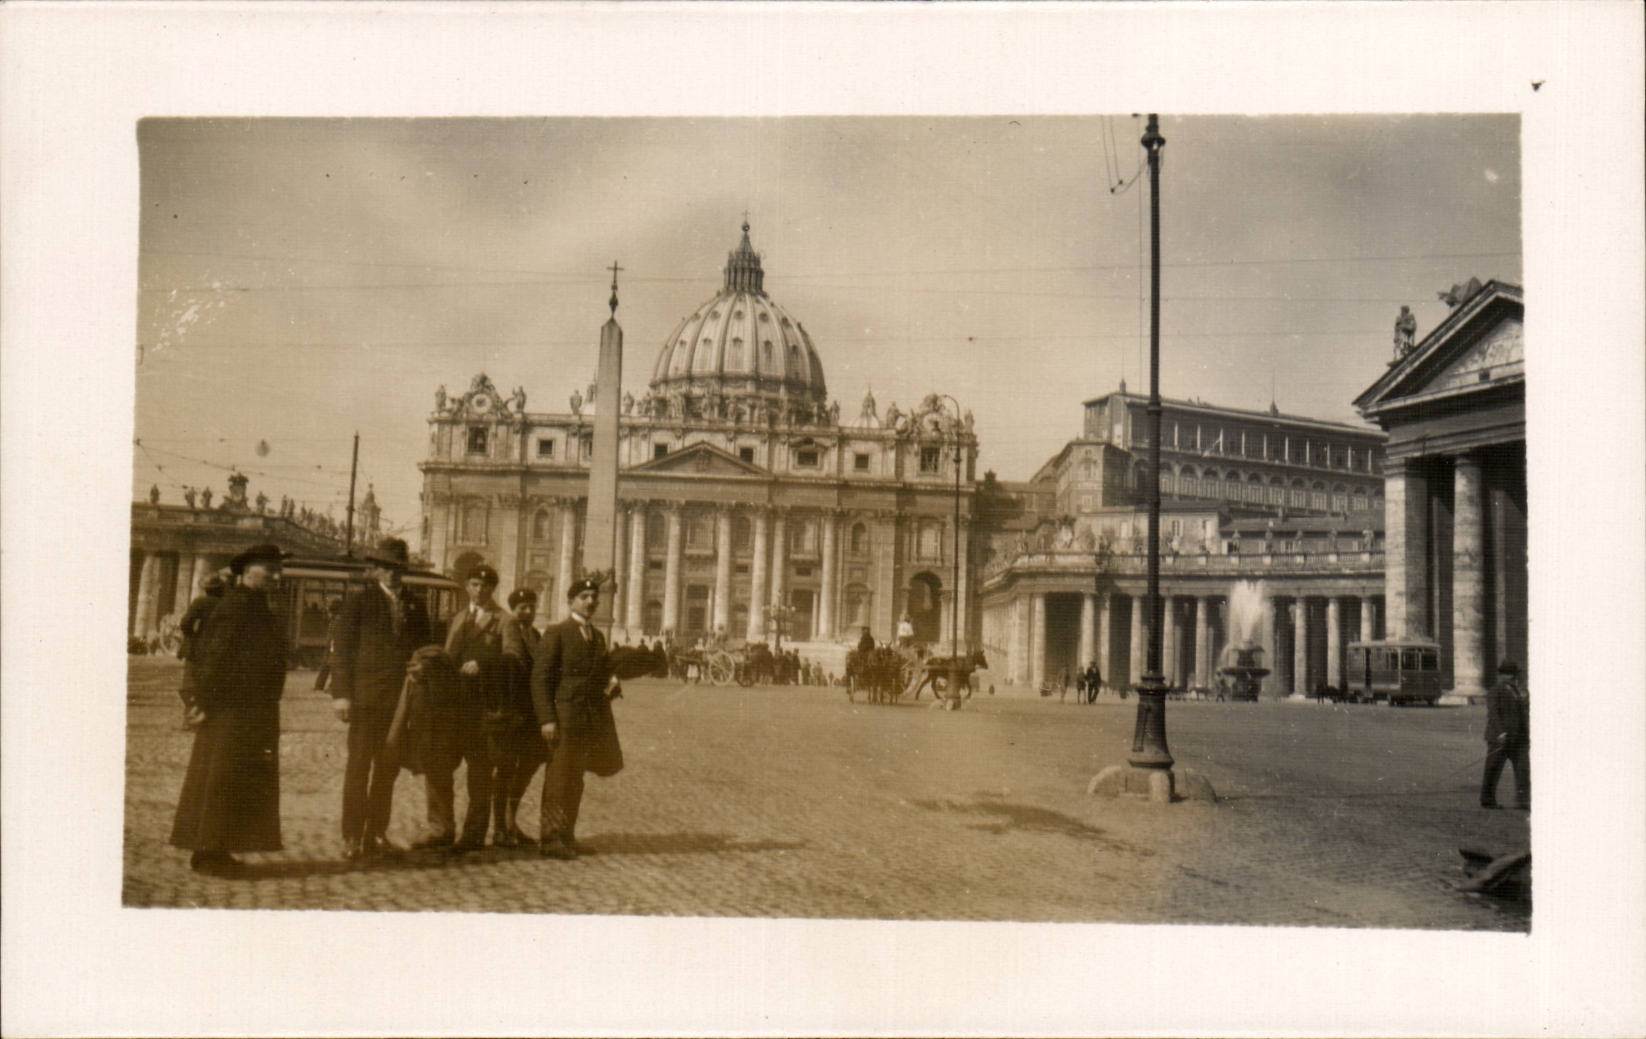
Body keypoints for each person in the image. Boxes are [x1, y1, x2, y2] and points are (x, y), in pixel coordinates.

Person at [169, 544, 289, 877]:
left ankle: (216, 849)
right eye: (269, 570)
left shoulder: (258, 606)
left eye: (278, 570)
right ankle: (208, 852)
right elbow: (213, 660)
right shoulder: (234, 607)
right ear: (246, 571)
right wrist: (203, 703)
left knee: (236, 779)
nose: (276, 576)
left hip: (253, 709)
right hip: (231, 710)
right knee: (220, 779)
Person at [329, 538, 430, 860]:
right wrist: (341, 695)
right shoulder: (359, 601)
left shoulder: (416, 605)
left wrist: (423, 665)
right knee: (358, 768)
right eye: (387, 568)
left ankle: (377, 834)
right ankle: (351, 837)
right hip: (364, 699)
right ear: (376, 570)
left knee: (388, 770)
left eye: (398, 568)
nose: (393, 574)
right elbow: (342, 651)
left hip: (400, 702)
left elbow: (425, 648)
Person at [421, 564, 523, 852]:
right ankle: (440, 828)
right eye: (475, 585)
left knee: (479, 772)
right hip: (453, 707)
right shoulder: (459, 618)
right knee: (438, 765)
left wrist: (484, 666)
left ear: (493, 589)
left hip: (483, 708)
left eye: (485, 586)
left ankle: (474, 834)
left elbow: (515, 660)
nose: (480, 591)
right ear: (466, 586)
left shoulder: (505, 621)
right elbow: (447, 658)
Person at [531, 577, 623, 859]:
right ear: (570, 600)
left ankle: (567, 835)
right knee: (558, 778)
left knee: (576, 780)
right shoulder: (557, 632)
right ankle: (550, 839)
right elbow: (540, 678)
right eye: (584, 596)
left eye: (594, 597)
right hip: (563, 718)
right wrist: (547, 718)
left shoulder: (596, 637)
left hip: (587, 720)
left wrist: (611, 682)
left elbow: (598, 674)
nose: (591, 602)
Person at [494, 588, 542, 847]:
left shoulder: (534, 634)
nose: (528, 612)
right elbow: (511, 663)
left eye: (531, 607)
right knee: (506, 768)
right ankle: (501, 828)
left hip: (530, 712)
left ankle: (511, 823)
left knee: (526, 767)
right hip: (513, 710)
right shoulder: (508, 629)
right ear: (513, 610)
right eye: (522, 607)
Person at [175, 572, 227, 728]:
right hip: (218, 649)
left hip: (197, 649)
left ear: (205, 589)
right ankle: (211, 719)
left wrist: (193, 635)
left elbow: (185, 623)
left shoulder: (200, 602)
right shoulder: (226, 604)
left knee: (190, 684)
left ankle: (189, 720)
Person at [1481, 660, 1530, 810]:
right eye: (1508, 675)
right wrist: (1501, 732)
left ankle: (1524, 800)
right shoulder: (1496, 690)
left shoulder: (1519, 691)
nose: (1511, 677)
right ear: (1502, 675)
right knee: (1493, 769)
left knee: (1523, 768)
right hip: (1500, 738)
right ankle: (1487, 799)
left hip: (1518, 738)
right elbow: (1493, 714)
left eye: (1512, 675)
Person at [312, 597, 345, 693]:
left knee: (327, 665)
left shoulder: (334, 620)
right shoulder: (340, 620)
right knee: (334, 666)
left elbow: (332, 633)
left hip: (332, 644)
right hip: (335, 645)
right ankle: (330, 687)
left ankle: (320, 686)